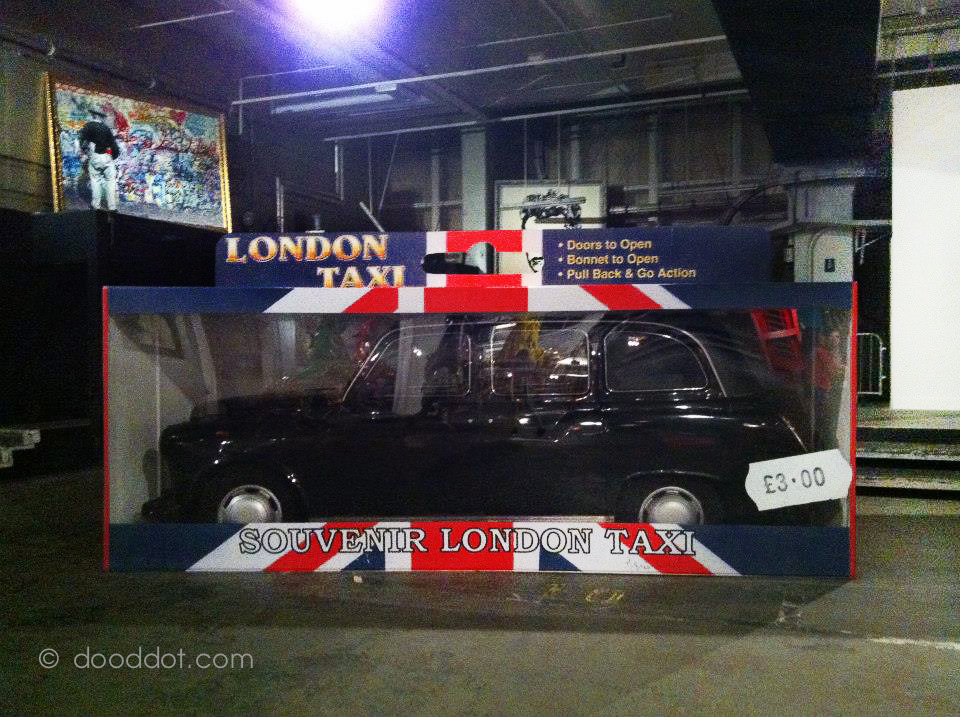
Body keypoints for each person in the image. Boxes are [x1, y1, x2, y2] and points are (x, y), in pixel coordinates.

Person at [76, 108, 121, 210]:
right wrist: (112, 156)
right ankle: (112, 207)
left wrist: (86, 152)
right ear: (100, 118)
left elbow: (82, 142)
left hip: (95, 156)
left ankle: (96, 205)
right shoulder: (106, 128)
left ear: (93, 116)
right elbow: (113, 146)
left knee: (95, 181)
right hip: (107, 156)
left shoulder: (88, 126)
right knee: (110, 181)